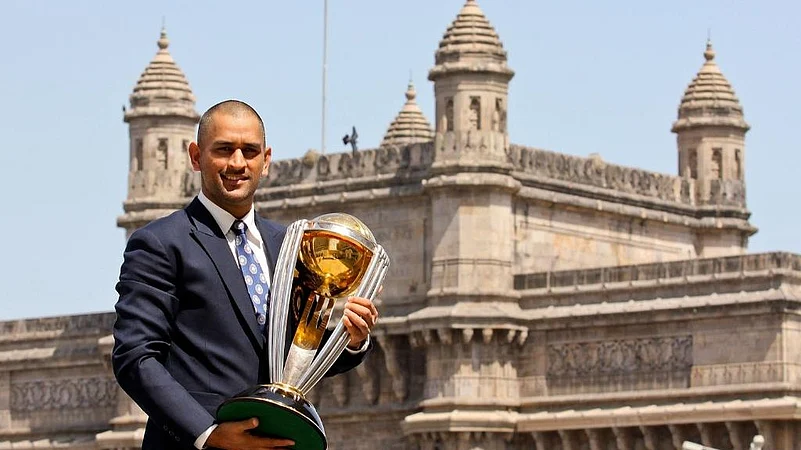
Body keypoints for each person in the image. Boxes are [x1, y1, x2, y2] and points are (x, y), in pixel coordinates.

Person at [112, 100, 378, 450]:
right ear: (196, 156)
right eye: (224, 150)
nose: (237, 163)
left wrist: (352, 340)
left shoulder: (289, 245)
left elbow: (295, 354)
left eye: (249, 151)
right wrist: (208, 433)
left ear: (265, 160)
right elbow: (136, 357)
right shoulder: (162, 243)